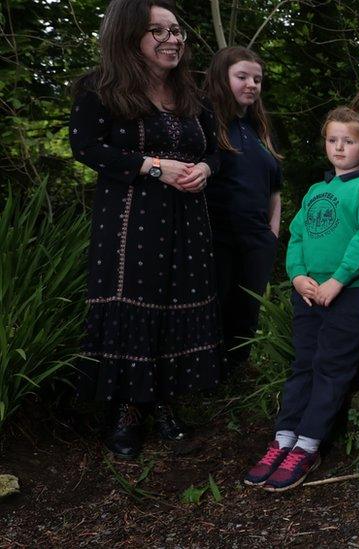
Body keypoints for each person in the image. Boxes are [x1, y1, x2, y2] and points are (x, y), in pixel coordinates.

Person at [69, 0, 221, 459]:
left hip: (188, 220)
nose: (173, 39)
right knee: (136, 305)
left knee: (176, 304)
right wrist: (153, 166)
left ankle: (162, 403)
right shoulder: (101, 89)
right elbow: (86, 148)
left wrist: (205, 171)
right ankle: (127, 412)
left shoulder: (193, 96)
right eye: (159, 31)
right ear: (129, 34)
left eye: (177, 31)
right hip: (130, 219)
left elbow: (213, 151)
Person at [244, 108, 359, 492]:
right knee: (303, 365)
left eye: (349, 140)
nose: (339, 147)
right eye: (332, 140)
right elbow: (298, 238)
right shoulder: (315, 191)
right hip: (309, 295)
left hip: (350, 294)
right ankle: (284, 438)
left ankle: (308, 446)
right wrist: (298, 277)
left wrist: (337, 281)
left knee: (331, 368)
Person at [203, 46, 283, 378]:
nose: (251, 84)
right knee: (215, 306)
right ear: (223, 78)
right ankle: (205, 376)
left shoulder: (258, 129)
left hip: (257, 238)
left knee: (247, 310)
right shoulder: (205, 121)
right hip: (217, 234)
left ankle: (235, 373)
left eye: (257, 79)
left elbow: (275, 189)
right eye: (242, 77)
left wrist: (272, 235)